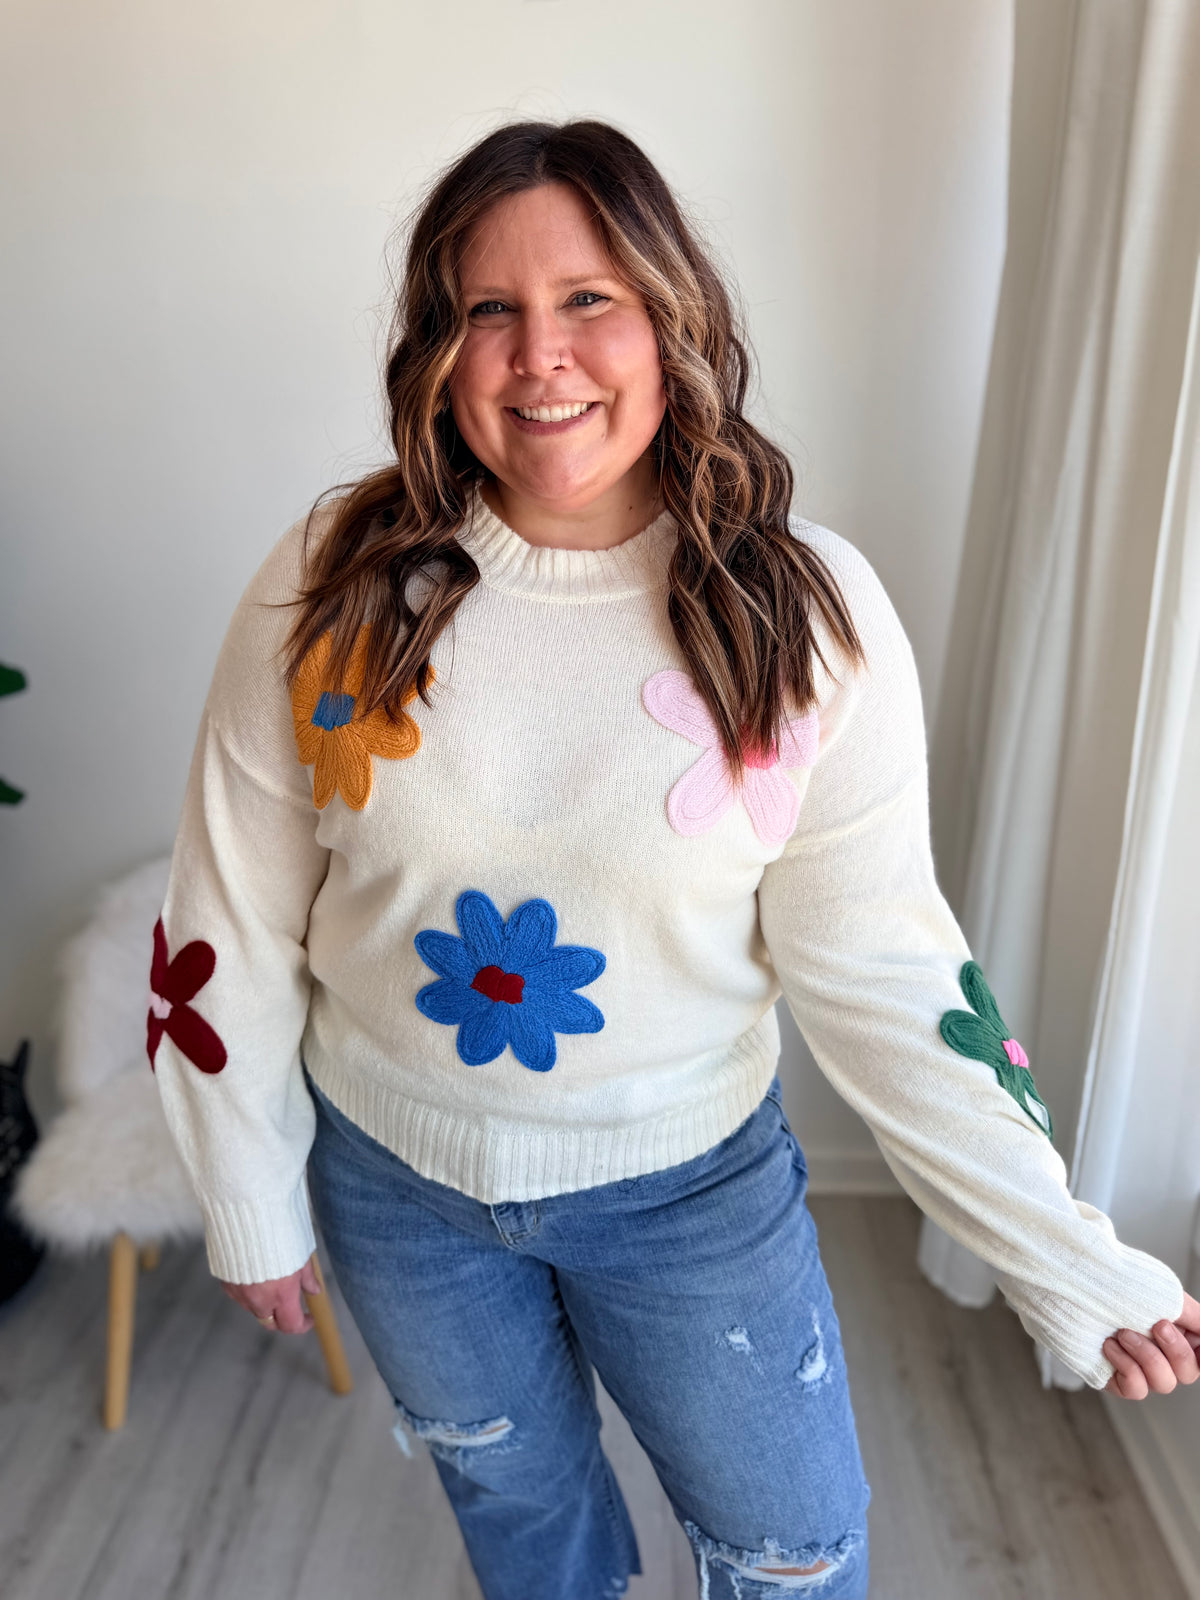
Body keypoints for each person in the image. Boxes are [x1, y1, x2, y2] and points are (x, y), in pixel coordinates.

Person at [148, 119, 1200, 1600]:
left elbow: (892, 967)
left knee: (798, 1558)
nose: (539, 357)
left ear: (672, 316)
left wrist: (1058, 1251)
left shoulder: (801, 613)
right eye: (486, 310)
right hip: (396, 1191)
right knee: (526, 1528)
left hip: (689, 1197)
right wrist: (245, 1190)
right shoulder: (340, 580)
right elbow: (228, 917)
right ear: (436, 353)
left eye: (589, 300)